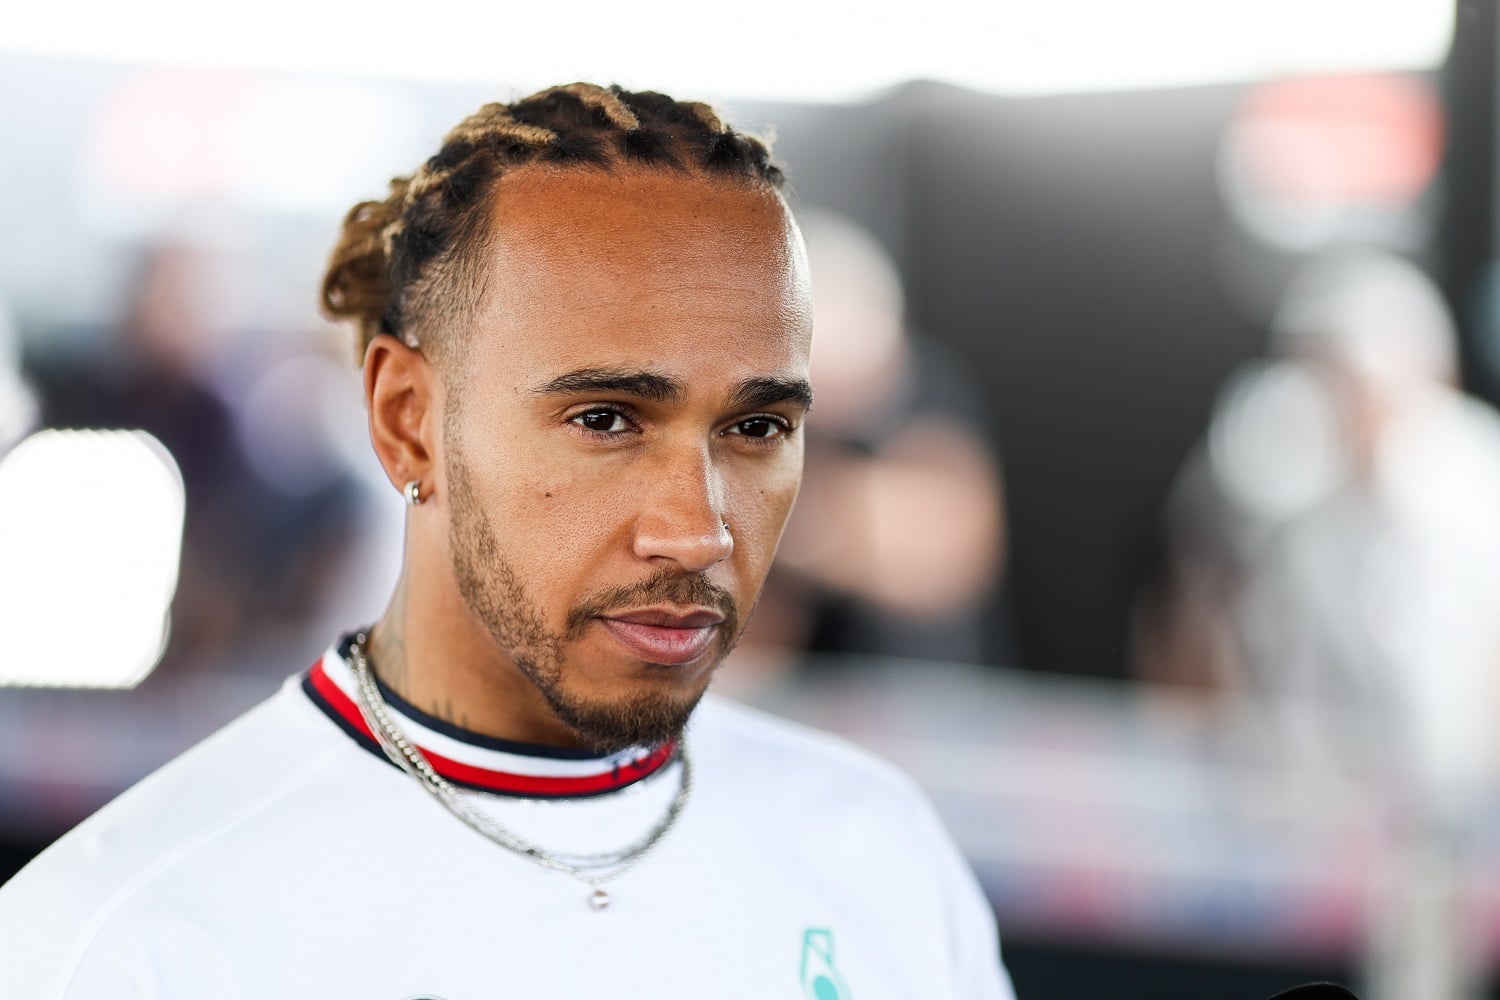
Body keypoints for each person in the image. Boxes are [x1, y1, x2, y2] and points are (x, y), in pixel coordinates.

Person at [0, 83, 1015, 999]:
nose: (695, 529)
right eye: (606, 419)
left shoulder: (881, 857)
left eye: (756, 428)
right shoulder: (132, 941)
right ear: (408, 420)